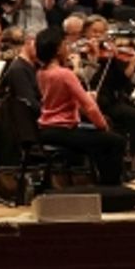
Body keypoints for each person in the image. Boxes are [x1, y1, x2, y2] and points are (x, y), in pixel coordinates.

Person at [35, 27, 127, 185]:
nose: (68, 47)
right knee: (115, 140)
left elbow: (59, 100)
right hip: (63, 129)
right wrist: (103, 125)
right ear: (58, 49)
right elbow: (90, 107)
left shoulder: (41, 73)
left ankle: (103, 183)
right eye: (65, 44)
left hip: (47, 129)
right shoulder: (65, 74)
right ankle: (110, 187)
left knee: (101, 141)